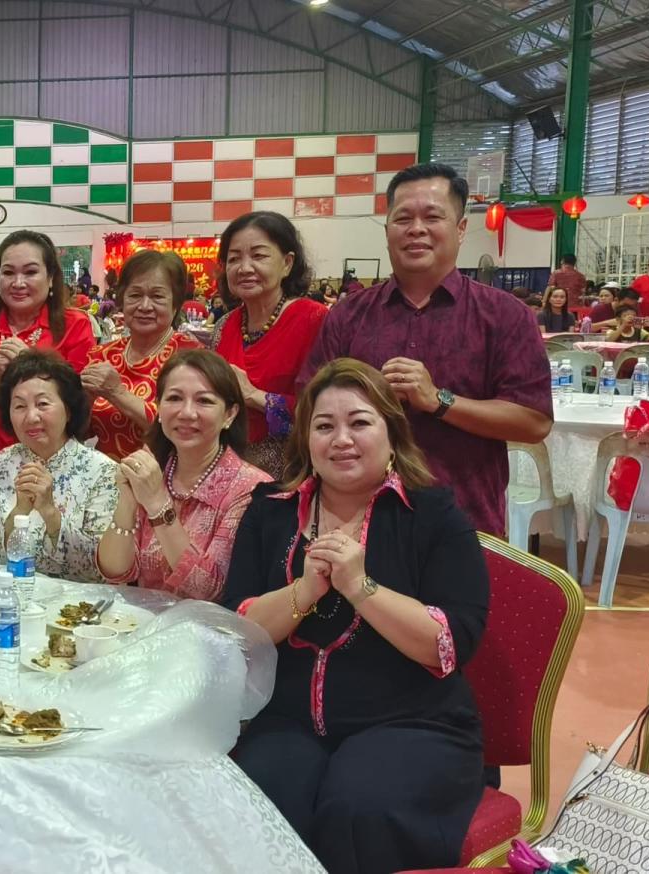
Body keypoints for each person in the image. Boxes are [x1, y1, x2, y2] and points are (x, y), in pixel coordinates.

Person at [223, 358, 489, 874]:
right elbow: (240, 632)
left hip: (412, 722)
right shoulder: (270, 510)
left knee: (359, 807)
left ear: (392, 435)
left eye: (360, 422)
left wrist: (358, 586)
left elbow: (449, 644)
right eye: (324, 426)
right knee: (262, 796)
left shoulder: (432, 514)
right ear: (306, 440)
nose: (341, 439)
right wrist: (305, 589)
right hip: (288, 719)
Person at [301, 163, 552, 537]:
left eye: (432, 217)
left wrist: (439, 400)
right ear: (388, 231)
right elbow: (308, 405)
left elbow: (534, 421)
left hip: (464, 520)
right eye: (403, 218)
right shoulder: (348, 316)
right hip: (356, 523)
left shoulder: (504, 315)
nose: (416, 228)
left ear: (461, 229)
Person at [95, 349, 270, 600]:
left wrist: (158, 504)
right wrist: (127, 502)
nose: (187, 413)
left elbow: (209, 592)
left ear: (229, 415)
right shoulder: (154, 470)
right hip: (142, 618)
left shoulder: (252, 489)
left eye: (204, 401)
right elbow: (115, 571)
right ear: (158, 407)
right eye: (174, 398)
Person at [0, 231, 95, 486]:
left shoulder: (75, 324)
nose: (18, 282)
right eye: (8, 272)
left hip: (56, 470)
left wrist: (26, 366)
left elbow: (81, 399)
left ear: (50, 278)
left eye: (30, 272)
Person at [0, 351, 118, 583]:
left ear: (68, 410)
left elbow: (102, 570)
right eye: (19, 406)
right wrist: (19, 512)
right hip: (8, 593)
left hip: (76, 600)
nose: (31, 417)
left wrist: (50, 513)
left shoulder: (103, 471)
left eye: (42, 404)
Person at [213, 212, 330, 474]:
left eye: (258, 256)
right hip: (228, 468)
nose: (244, 268)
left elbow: (326, 407)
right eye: (234, 259)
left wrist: (255, 396)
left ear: (287, 264)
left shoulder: (314, 319)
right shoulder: (224, 325)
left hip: (292, 470)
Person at [82, 250, 205, 460]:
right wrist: (82, 404)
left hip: (169, 475)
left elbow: (187, 427)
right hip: (106, 474)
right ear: (122, 300)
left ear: (175, 303)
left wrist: (117, 393)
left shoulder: (193, 358)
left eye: (157, 296)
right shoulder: (102, 355)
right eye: (135, 295)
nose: (145, 306)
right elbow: (80, 433)